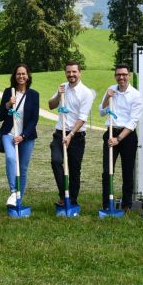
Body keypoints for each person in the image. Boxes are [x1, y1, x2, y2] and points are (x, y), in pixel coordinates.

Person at [48, 61, 95, 208]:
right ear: (65, 73)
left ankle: (72, 201)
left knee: (75, 170)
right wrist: (58, 95)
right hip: (59, 133)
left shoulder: (86, 93)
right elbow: (51, 105)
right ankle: (64, 195)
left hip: (76, 135)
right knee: (56, 161)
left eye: (74, 72)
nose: (71, 75)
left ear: (79, 73)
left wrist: (71, 135)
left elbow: (82, 118)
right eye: (68, 72)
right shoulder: (62, 87)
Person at [99, 63, 142, 213]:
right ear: (115, 76)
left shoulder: (135, 94)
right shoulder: (111, 90)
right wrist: (106, 99)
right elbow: (101, 112)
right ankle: (106, 204)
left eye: (124, 74)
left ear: (129, 76)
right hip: (110, 132)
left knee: (127, 171)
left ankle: (126, 205)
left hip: (127, 136)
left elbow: (132, 122)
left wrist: (119, 139)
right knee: (107, 171)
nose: (121, 77)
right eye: (118, 75)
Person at [0, 63, 40, 207]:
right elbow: (0, 116)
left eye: (24, 74)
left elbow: (34, 119)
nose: (21, 76)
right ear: (14, 76)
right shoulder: (9, 92)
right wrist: (8, 104)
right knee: (10, 158)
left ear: (28, 76)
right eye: (18, 74)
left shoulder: (34, 95)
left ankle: (18, 200)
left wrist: (23, 136)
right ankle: (13, 192)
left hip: (26, 137)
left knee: (23, 168)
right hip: (9, 133)